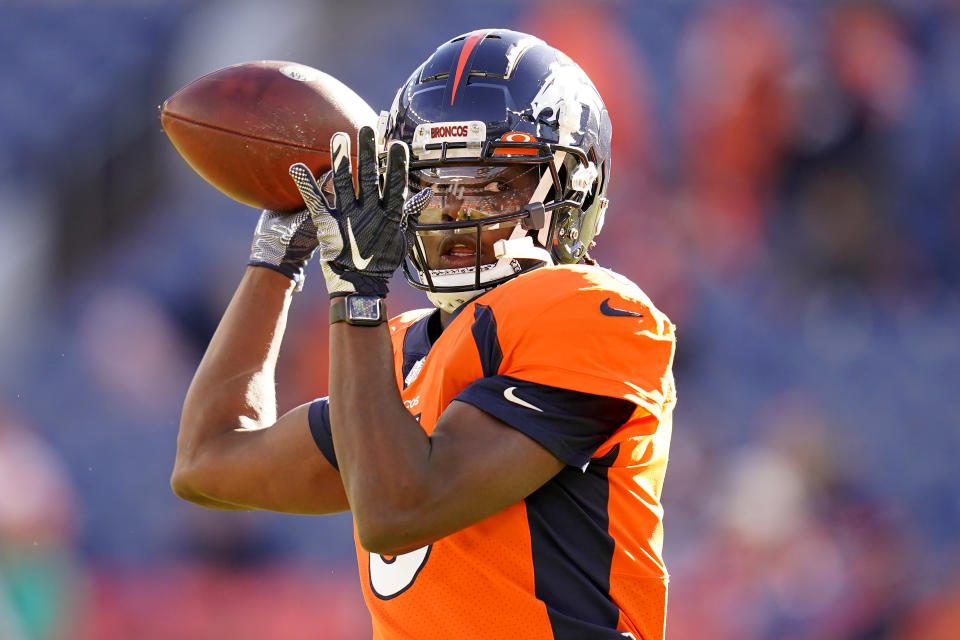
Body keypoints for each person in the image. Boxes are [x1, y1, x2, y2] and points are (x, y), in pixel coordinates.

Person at [172, 28, 676, 640]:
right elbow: (208, 462)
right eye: (434, 182)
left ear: (572, 189)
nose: (455, 208)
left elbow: (399, 510)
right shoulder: (399, 351)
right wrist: (276, 259)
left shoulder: (597, 312)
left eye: (491, 182)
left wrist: (356, 296)